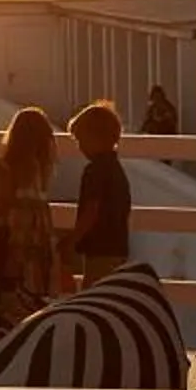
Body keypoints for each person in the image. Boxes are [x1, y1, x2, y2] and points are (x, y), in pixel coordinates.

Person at [0, 105, 64, 311]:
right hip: (38, 227)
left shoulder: (7, 165)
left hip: (16, 227)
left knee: (11, 275)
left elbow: (5, 199)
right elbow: (24, 193)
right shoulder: (41, 165)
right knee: (34, 276)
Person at [69, 100, 134, 285]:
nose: (80, 147)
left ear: (95, 138)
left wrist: (72, 240)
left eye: (81, 140)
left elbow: (91, 210)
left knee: (94, 292)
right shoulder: (117, 170)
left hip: (100, 250)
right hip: (118, 248)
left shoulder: (94, 171)